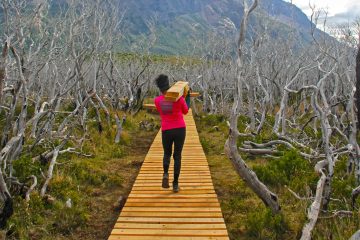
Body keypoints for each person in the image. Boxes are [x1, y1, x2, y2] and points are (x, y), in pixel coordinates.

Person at [154, 74, 190, 193]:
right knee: (177, 156)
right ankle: (175, 184)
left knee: (167, 153)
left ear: (159, 88)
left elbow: (163, 112)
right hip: (180, 129)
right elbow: (185, 111)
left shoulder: (157, 100)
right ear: (169, 85)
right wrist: (186, 97)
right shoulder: (179, 98)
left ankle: (165, 173)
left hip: (166, 130)